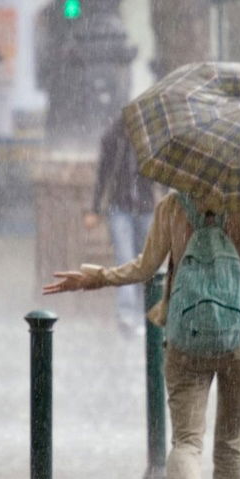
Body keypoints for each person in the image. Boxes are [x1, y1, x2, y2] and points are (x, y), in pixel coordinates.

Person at [42, 191, 240, 479]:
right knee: (232, 443)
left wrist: (96, 278)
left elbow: (146, 267)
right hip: (239, 338)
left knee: (186, 439)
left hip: (186, 337)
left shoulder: (173, 204)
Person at [85, 123, 158, 338]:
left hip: (145, 208)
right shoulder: (113, 138)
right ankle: (127, 316)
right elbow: (103, 174)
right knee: (126, 260)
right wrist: (96, 209)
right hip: (121, 209)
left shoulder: (151, 140)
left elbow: (161, 173)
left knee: (145, 262)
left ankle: (144, 313)